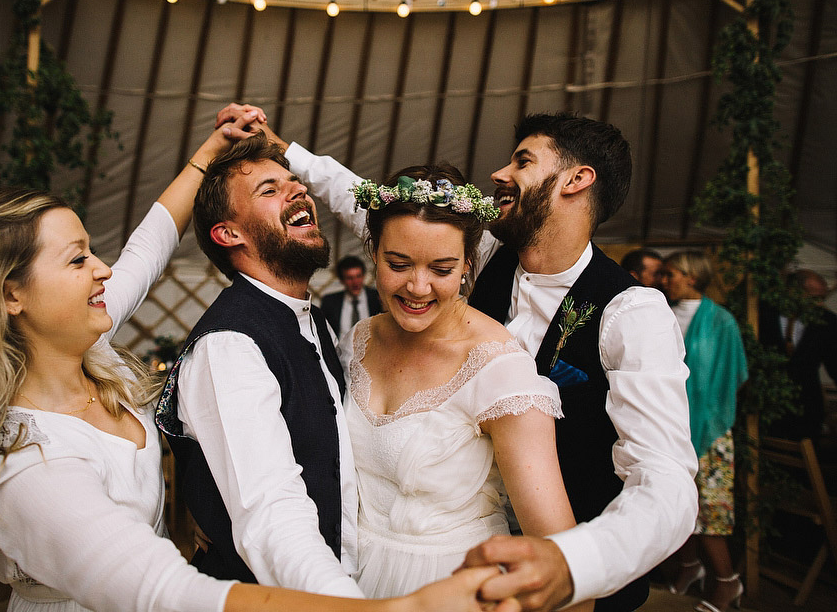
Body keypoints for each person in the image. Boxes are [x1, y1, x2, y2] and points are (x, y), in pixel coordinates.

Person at [0, 118, 502, 612]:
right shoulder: (33, 462)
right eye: (78, 260)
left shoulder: (85, 351)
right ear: (11, 296)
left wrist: (211, 151)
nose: (103, 269)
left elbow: (148, 249)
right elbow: (184, 572)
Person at [215, 104, 697, 612]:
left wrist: (575, 563)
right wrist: (282, 150)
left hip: (575, 590)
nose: (499, 173)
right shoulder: (482, 257)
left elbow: (666, 482)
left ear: (576, 179)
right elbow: (387, 216)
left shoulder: (631, 311)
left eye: (522, 161)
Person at [340, 166, 588, 608]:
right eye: (398, 264)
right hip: (347, 576)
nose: (418, 287)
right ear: (373, 253)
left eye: (442, 268)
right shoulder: (360, 339)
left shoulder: (499, 370)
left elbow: (559, 560)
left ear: (468, 266)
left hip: (454, 585)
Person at [155, 133, 364, 597]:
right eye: (269, 190)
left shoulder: (316, 322)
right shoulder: (230, 346)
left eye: (294, 182)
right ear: (229, 233)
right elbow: (270, 512)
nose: (299, 190)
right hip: (273, 597)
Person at [660, 251, 748, 612]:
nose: (665, 281)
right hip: (669, 425)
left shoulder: (721, 322)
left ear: (692, 277)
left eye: (671, 274)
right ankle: (688, 567)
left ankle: (727, 583)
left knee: (710, 511)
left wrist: (706, 415)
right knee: (678, 503)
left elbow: (734, 375)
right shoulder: (660, 313)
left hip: (709, 430)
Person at [761, 269, 837, 444]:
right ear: (793, 292)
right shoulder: (763, 314)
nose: (819, 304)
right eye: (813, 298)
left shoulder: (827, 321)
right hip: (768, 406)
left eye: (822, 298)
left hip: (807, 406)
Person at [320, 255, 383, 337]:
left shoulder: (377, 297)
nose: (355, 282)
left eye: (358, 276)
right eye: (350, 278)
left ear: (364, 276)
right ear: (342, 280)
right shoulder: (330, 301)